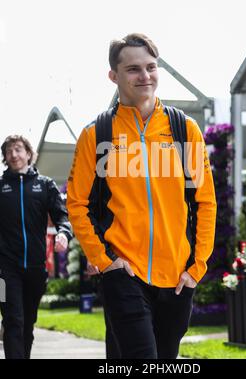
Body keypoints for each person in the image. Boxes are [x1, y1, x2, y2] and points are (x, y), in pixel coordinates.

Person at [67, 33, 217, 359]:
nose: (145, 76)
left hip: (177, 277)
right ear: (114, 76)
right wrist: (105, 261)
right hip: (124, 273)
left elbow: (205, 200)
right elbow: (76, 203)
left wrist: (197, 267)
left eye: (151, 67)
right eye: (133, 69)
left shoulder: (184, 129)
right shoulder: (97, 134)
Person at [0, 135, 73, 359]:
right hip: (4, 270)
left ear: (29, 154)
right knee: (13, 320)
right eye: (9, 151)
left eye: (18, 149)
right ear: (4, 157)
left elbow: (62, 217)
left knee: (27, 323)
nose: (14, 154)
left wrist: (63, 233)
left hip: (34, 267)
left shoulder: (45, 185)